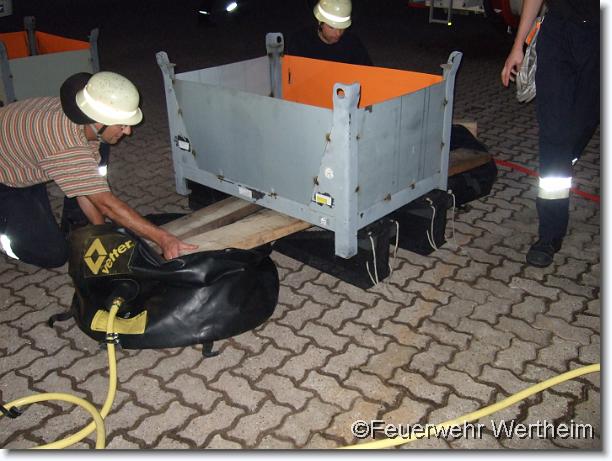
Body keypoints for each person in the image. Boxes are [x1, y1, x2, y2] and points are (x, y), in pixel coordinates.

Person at [0, 71, 198, 268]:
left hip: (24, 159)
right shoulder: (65, 145)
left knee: (97, 157)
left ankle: (72, 219)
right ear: (98, 121)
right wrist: (164, 239)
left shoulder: (83, 116)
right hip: (6, 180)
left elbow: (89, 192)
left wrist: (103, 233)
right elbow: (106, 205)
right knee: (54, 254)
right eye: (122, 125)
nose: (128, 131)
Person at [500, 0, 599, 268]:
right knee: (554, 134)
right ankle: (549, 235)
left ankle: (562, 158)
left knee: (582, 124)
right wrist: (518, 45)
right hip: (557, 34)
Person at [287, 0, 372, 66]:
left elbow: (367, 72)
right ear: (320, 22)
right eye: (332, 27)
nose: (338, 33)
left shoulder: (353, 44)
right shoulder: (300, 43)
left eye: (342, 27)